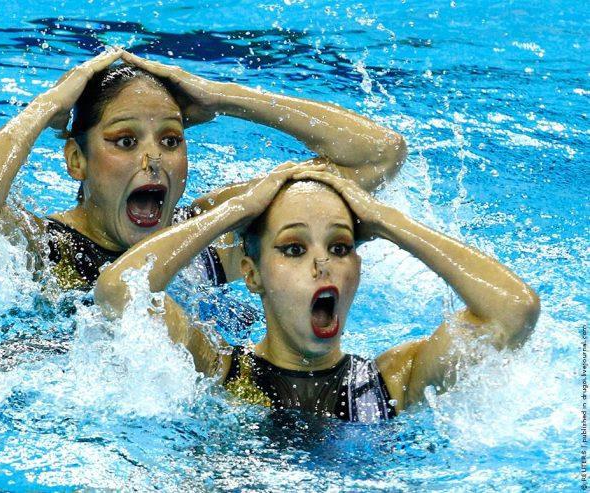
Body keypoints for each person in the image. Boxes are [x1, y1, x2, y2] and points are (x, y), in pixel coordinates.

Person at [94, 167, 540, 422]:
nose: (322, 263)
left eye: (340, 247)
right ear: (252, 275)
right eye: (294, 249)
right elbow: (117, 291)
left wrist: (388, 222)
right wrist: (236, 211)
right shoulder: (215, 370)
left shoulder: (391, 385)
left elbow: (514, 311)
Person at [0, 47, 407, 291]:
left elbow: (379, 156)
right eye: (125, 141)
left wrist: (223, 96)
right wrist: (46, 107)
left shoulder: (208, 235)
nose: (153, 160)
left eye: (170, 140)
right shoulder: (41, 249)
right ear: (77, 160)